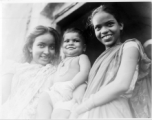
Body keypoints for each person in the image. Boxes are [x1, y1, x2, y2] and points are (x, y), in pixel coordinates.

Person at [69, 4, 151, 118]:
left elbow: (122, 85)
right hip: (91, 111)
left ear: (120, 25)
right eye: (98, 27)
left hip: (113, 109)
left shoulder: (130, 46)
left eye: (109, 24)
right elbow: (92, 86)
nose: (104, 30)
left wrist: (83, 107)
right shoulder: (98, 60)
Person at [2, 25, 61, 119]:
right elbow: (2, 97)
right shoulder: (14, 68)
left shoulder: (55, 72)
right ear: (30, 47)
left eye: (52, 47)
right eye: (41, 45)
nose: (47, 51)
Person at [36, 28, 91, 119]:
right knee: (43, 98)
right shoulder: (61, 62)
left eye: (76, 40)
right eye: (67, 41)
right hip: (55, 90)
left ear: (84, 47)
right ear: (62, 47)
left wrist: (71, 85)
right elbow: (54, 76)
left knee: (59, 113)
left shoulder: (81, 57)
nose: (70, 43)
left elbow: (85, 72)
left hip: (71, 90)